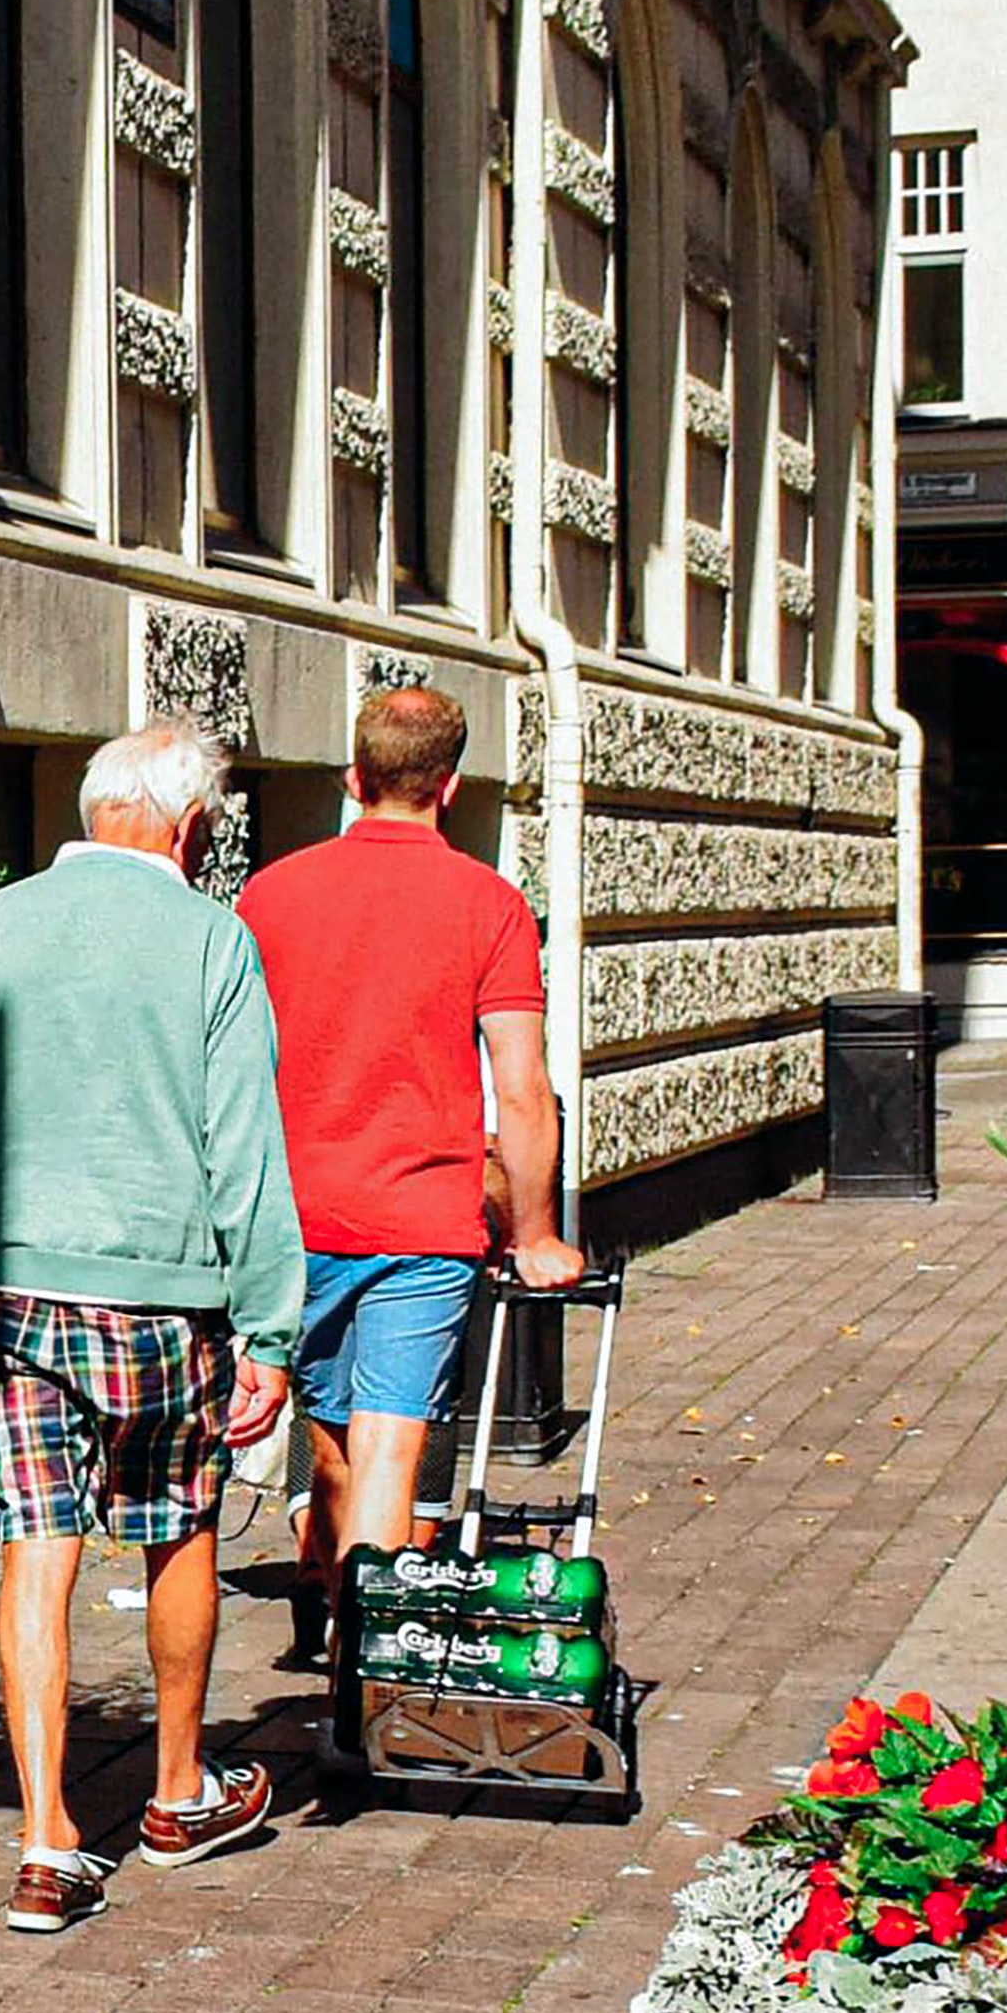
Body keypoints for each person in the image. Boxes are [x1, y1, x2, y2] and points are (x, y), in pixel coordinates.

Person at [0, 718, 302, 1936]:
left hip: (16, 1289)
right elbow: (246, 1149)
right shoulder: (214, 941)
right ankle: (175, 1792)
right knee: (178, 1530)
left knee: (38, 1543)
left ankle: (49, 1839)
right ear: (192, 824)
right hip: (168, 1293)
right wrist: (270, 1328)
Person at [239, 684, 584, 1615]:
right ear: (453, 785)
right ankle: (364, 1688)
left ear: (354, 778)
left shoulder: (269, 894)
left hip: (292, 1216)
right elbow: (521, 1083)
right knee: (393, 1443)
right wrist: (537, 1231)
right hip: (423, 1220)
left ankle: (332, 1599)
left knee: (337, 1433)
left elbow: (230, 1062)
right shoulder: (489, 903)